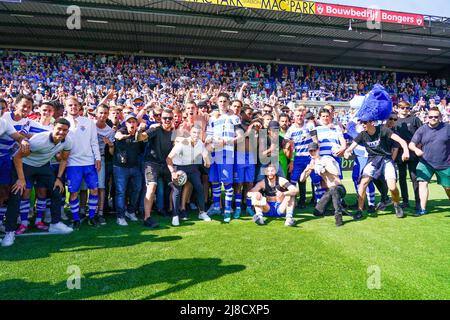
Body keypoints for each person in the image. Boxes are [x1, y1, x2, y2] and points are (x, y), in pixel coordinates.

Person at [1, 118, 73, 247]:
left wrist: (58, 178)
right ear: (53, 128)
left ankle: (55, 224)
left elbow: (63, 159)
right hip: (24, 165)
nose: (62, 132)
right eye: (59, 129)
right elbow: (17, 157)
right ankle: (9, 232)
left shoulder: (68, 141)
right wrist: (21, 179)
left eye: (65, 130)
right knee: (16, 195)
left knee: (57, 190)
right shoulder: (39, 140)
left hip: (42, 166)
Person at [344, 119, 410, 218]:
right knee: (363, 183)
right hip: (372, 160)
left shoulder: (383, 130)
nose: (363, 125)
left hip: (386, 159)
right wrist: (347, 152)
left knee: (392, 187)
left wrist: (406, 151)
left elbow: (401, 140)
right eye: (361, 123)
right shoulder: (362, 134)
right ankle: (360, 210)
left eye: (365, 122)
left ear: (372, 123)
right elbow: (350, 148)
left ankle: (396, 205)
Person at [64, 96, 101, 229]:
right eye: (70, 105)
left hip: (89, 162)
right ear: (66, 107)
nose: (73, 107)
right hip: (72, 163)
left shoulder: (89, 121)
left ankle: (91, 216)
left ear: (79, 106)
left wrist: (97, 158)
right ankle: (75, 219)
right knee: (73, 192)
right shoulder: (62, 122)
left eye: (75, 105)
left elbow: (94, 141)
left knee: (94, 190)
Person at [300, 142, 355, 226]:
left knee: (333, 188)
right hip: (330, 191)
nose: (312, 153)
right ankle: (340, 210)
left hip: (339, 188)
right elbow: (301, 180)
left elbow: (335, 172)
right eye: (311, 151)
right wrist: (306, 170)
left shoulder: (326, 159)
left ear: (318, 150)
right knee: (317, 212)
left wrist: (324, 168)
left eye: (314, 150)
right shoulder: (312, 163)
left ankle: (338, 216)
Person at [205, 93, 240, 223]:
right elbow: (209, 134)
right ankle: (216, 207)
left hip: (226, 152)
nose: (222, 103)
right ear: (217, 102)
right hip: (214, 152)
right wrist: (208, 140)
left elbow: (240, 137)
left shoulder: (234, 117)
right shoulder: (212, 118)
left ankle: (227, 209)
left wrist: (225, 142)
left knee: (226, 182)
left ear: (228, 102)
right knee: (214, 181)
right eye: (220, 101)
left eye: (225, 101)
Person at [166, 125, 212, 226]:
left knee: (199, 187)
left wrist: (207, 162)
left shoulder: (200, 143)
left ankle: (202, 213)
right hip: (179, 168)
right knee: (177, 190)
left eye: (198, 133)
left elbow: (206, 157)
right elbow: (168, 159)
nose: (196, 135)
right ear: (190, 133)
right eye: (194, 132)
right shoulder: (182, 143)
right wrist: (173, 172)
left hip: (192, 167)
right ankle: (175, 215)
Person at [138, 108, 175, 228]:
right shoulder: (155, 128)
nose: (167, 120)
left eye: (170, 118)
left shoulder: (174, 132)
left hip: (165, 164)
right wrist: (140, 129)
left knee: (175, 185)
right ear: (160, 118)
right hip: (151, 163)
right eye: (165, 118)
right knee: (152, 186)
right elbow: (141, 137)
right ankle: (147, 218)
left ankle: (174, 211)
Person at [409, 107, 450, 215]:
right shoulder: (422, 129)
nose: (433, 119)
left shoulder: (447, 128)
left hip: (444, 163)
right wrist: (416, 149)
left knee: (448, 187)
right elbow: (411, 144)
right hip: (425, 163)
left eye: (436, 117)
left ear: (440, 117)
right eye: (431, 117)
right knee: (422, 183)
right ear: (427, 117)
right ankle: (422, 209)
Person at [113, 113, 144, 226]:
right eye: (129, 122)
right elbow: (118, 136)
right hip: (120, 168)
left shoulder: (139, 134)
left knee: (137, 189)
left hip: (134, 166)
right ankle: (120, 217)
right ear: (125, 124)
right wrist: (129, 136)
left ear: (136, 123)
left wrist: (138, 133)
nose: (132, 123)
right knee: (121, 192)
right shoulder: (121, 131)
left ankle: (130, 211)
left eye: (133, 122)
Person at [394, 101, 422, 210]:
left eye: (407, 107)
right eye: (402, 107)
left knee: (414, 177)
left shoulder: (415, 119)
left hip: (413, 152)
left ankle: (418, 202)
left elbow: (422, 133)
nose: (405, 109)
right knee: (401, 178)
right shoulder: (394, 120)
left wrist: (418, 148)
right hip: (400, 152)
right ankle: (405, 201)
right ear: (398, 108)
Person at [95, 104, 115, 224]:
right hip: (86, 159)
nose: (103, 115)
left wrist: (110, 145)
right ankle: (83, 211)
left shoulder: (109, 131)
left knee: (101, 187)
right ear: (96, 113)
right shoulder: (90, 126)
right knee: (84, 188)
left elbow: (112, 153)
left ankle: (100, 212)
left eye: (105, 113)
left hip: (101, 159)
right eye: (101, 113)